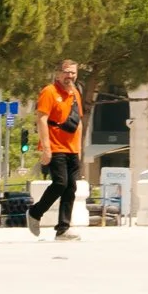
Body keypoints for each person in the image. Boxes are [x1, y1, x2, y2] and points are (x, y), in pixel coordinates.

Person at [28, 58, 83, 241]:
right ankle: (35, 212)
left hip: (72, 148)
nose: (70, 76)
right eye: (67, 72)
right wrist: (46, 148)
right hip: (55, 145)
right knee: (60, 183)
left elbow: (79, 122)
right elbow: (42, 119)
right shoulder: (49, 92)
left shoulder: (75, 93)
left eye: (73, 72)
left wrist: (79, 149)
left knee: (71, 187)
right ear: (58, 73)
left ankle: (63, 229)